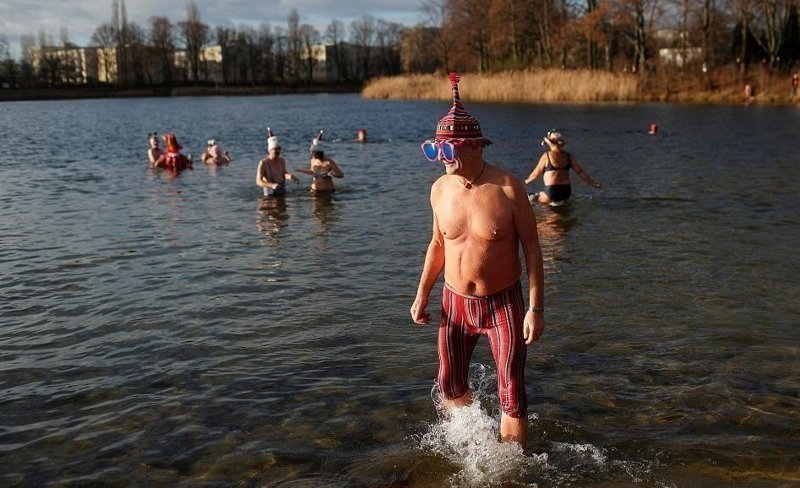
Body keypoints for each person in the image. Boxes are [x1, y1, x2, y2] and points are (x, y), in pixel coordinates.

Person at [410, 73, 545, 449]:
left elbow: (533, 250)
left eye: (448, 151)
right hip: (455, 304)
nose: (442, 160)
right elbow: (437, 243)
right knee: (450, 383)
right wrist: (422, 294)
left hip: (503, 303)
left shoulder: (508, 188)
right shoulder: (439, 189)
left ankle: (512, 469)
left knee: (512, 391)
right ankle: (473, 444)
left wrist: (535, 308)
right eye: (435, 150)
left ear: (474, 147)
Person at [524, 130, 602, 205]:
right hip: (566, 191)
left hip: (551, 191)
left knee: (532, 199)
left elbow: (536, 173)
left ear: (549, 143)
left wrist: (526, 182)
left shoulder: (546, 156)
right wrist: (593, 183)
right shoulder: (568, 156)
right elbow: (580, 172)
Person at [256, 128, 298, 197]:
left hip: (282, 190)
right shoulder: (263, 163)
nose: (278, 152)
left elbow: (283, 174)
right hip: (270, 194)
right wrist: (271, 185)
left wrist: (291, 176)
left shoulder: (281, 161)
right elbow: (258, 181)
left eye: (279, 149)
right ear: (270, 150)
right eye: (275, 150)